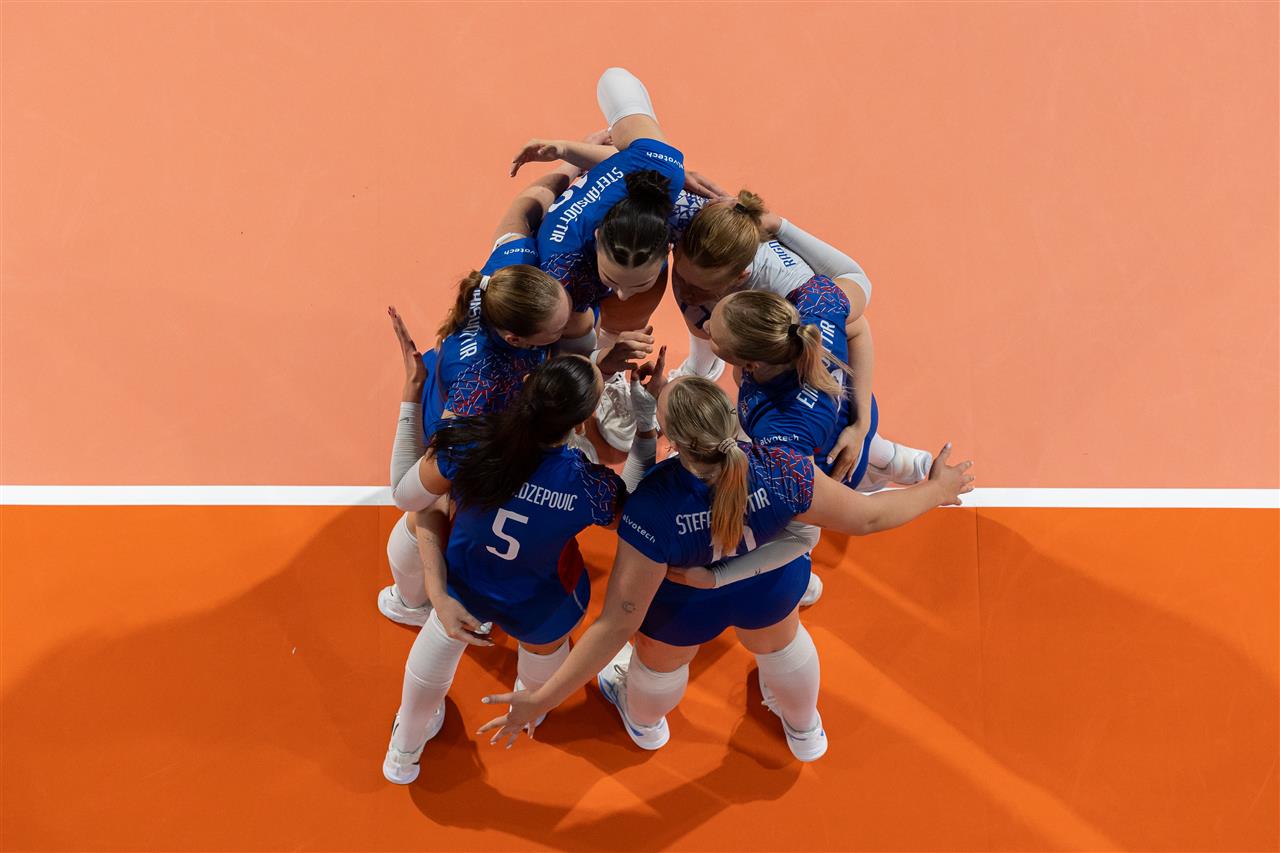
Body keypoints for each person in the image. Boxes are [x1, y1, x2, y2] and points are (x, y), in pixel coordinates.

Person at [477, 377, 974, 761]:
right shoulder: (783, 466)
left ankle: (646, 726)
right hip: (768, 589)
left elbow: (616, 625)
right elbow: (868, 517)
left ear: (673, 441)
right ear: (731, 418)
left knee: (656, 664)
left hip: (684, 609)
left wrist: (542, 698)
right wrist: (937, 489)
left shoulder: (653, 506)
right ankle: (804, 728)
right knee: (783, 646)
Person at [379, 164, 650, 626]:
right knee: (433, 510)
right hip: (453, 423)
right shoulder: (484, 387)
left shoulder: (512, 274)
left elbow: (522, 209)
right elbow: (413, 495)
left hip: (467, 403)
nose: (566, 332)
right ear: (517, 340)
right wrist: (411, 395)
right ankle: (411, 601)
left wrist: (568, 165)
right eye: (555, 333)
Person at [382, 355, 664, 784]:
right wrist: (645, 430)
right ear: (583, 423)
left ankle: (404, 749)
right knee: (540, 666)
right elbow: (635, 512)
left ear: (528, 384)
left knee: (440, 639)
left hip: (465, 578)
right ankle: (531, 713)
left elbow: (415, 501)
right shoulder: (588, 484)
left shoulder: (469, 442)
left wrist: (436, 593)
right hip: (542, 601)